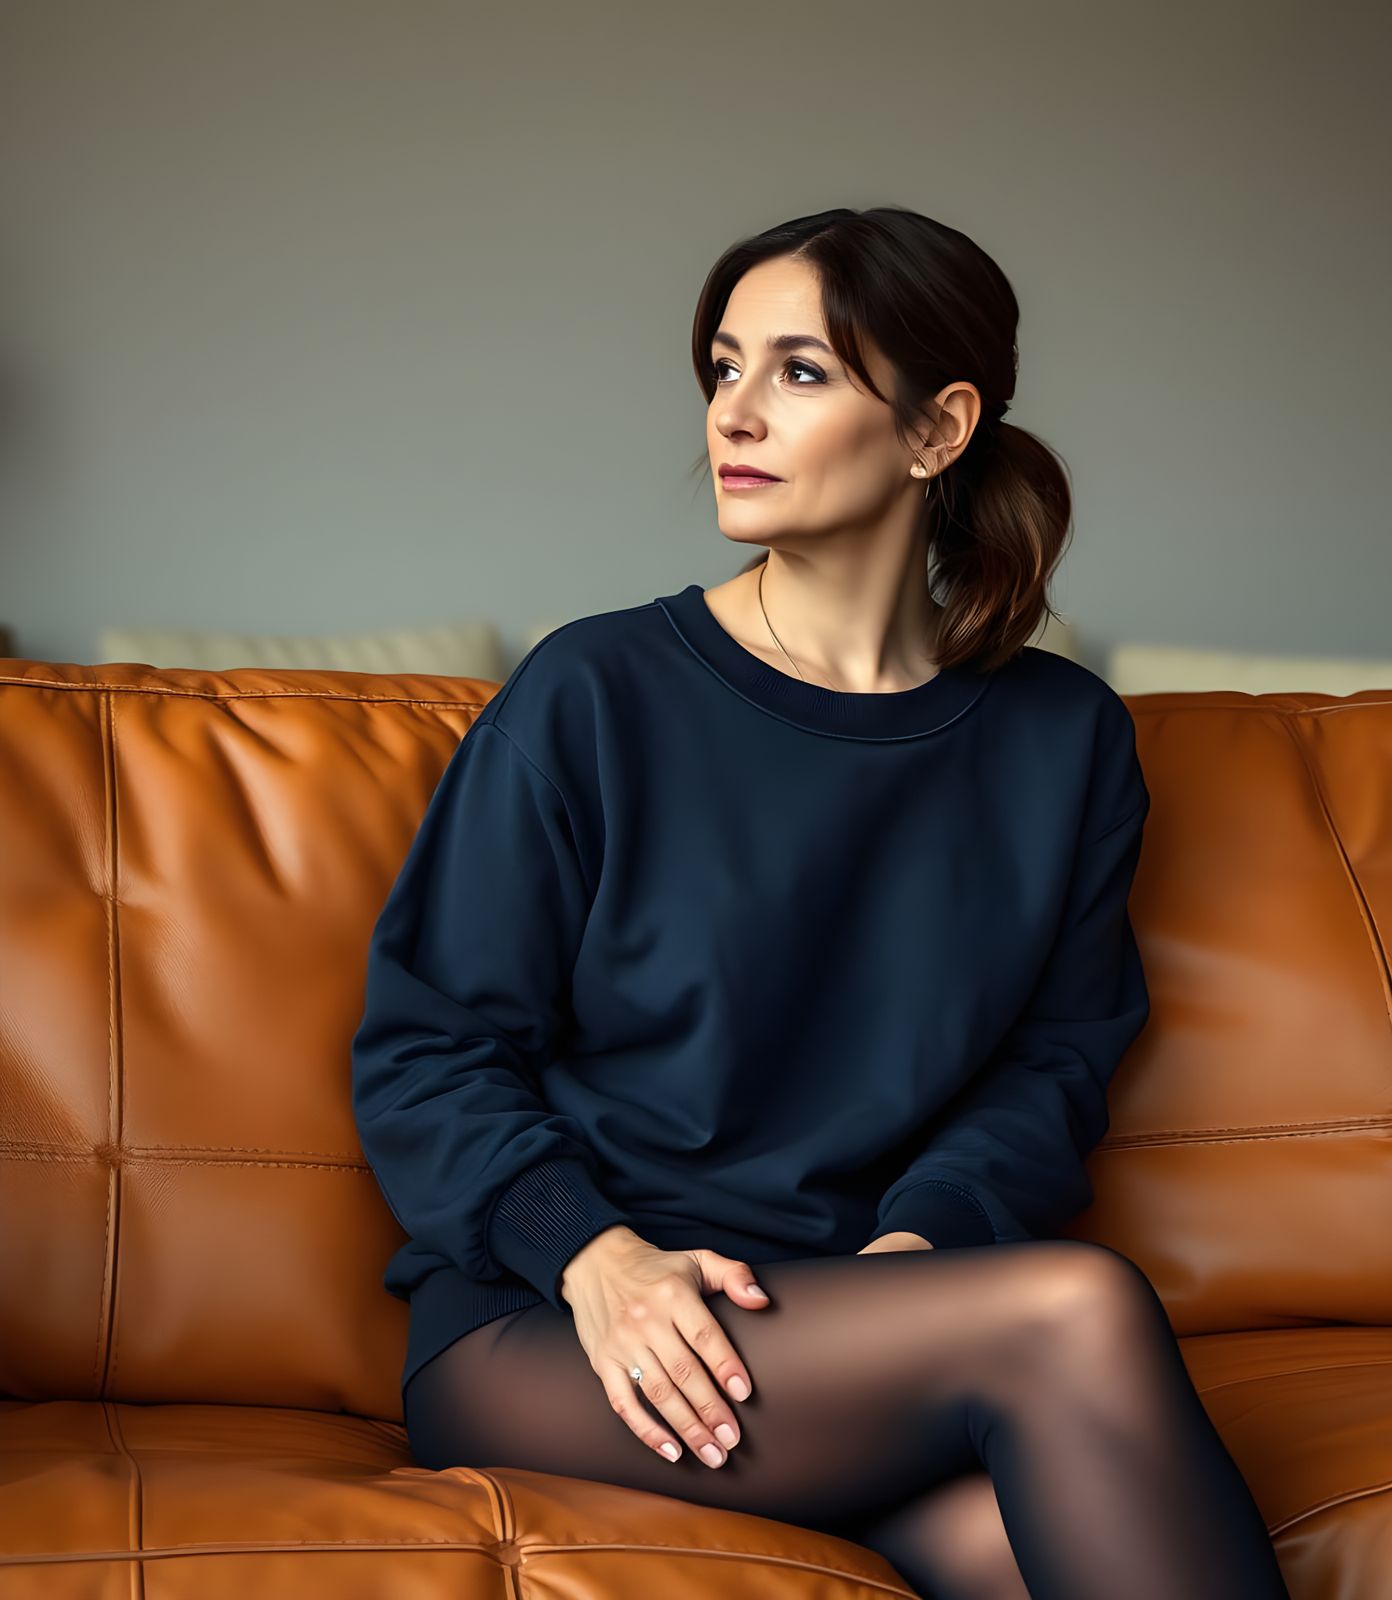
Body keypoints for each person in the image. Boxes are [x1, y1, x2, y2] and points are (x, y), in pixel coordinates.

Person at [350, 206, 1290, 1600]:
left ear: (937, 428)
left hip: (867, 1324)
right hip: (569, 1331)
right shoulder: (595, 693)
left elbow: (1051, 1066)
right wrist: (596, 1256)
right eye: (723, 368)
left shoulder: (1064, 741)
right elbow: (426, 1048)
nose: (733, 412)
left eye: (799, 372)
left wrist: (919, 1262)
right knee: (1072, 1312)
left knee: (1029, 1557)